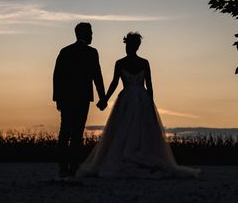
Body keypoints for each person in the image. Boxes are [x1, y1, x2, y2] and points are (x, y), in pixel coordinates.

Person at [76, 32, 199, 179]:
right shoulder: (131, 63)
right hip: (135, 99)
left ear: (134, 46)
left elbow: (146, 84)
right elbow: (119, 83)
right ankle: (129, 157)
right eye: (128, 44)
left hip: (136, 99)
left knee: (139, 129)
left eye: (130, 45)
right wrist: (105, 99)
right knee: (127, 129)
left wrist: (151, 105)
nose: (128, 47)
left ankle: (135, 159)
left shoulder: (131, 63)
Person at [53, 22, 106, 177]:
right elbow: (97, 76)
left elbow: (57, 76)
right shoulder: (91, 52)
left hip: (67, 98)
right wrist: (102, 97)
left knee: (65, 131)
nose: (92, 36)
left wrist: (58, 98)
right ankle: (73, 165)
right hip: (82, 98)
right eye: (91, 33)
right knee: (77, 132)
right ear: (86, 34)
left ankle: (63, 166)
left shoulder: (65, 51)